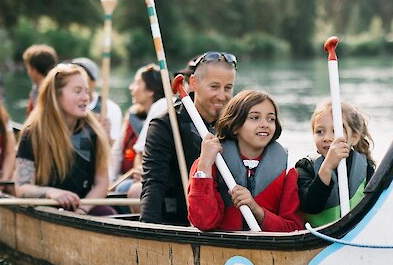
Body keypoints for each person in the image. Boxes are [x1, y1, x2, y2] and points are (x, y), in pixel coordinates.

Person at [139, 51, 236, 225]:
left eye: (228, 88)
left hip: (223, 223)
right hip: (177, 222)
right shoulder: (165, 125)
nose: (222, 96)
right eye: (214, 87)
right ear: (193, 83)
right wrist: (147, 231)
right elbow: (153, 184)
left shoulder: (235, 126)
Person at [187, 90, 303, 232]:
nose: (265, 124)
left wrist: (256, 209)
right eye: (254, 118)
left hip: (267, 250)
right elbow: (203, 222)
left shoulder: (286, 173)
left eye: (271, 119)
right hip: (223, 249)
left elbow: (293, 228)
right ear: (235, 126)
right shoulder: (209, 166)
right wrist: (204, 166)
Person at [14, 63, 114, 216]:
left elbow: (101, 183)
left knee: (109, 213)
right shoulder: (33, 133)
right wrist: (52, 193)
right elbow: (22, 188)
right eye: (77, 91)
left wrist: (81, 211)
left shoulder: (94, 132)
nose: (85, 97)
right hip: (46, 209)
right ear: (56, 95)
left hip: (82, 208)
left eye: (86, 91)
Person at [295, 99, 377, 226]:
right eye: (319, 132)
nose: (327, 138)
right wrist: (327, 167)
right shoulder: (305, 167)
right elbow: (310, 206)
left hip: (357, 233)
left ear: (354, 137)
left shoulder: (366, 168)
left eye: (335, 131)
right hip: (321, 239)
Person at [111, 64, 165, 193]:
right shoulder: (132, 115)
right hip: (125, 178)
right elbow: (117, 152)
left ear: (150, 91)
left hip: (145, 181)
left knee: (123, 189)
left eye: (136, 83)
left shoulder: (164, 114)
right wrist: (110, 180)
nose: (131, 87)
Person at [70, 57, 122, 148]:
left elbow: (114, 149)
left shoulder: (110, 108)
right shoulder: (65, 105)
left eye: (83, 76)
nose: (77, 80)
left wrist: (105, 135)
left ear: (94, 82)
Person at [23, 44, 58, 116]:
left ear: (34, 70)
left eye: (28, 68)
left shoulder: (48, 94)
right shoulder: (37, 88)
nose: (28, 72)